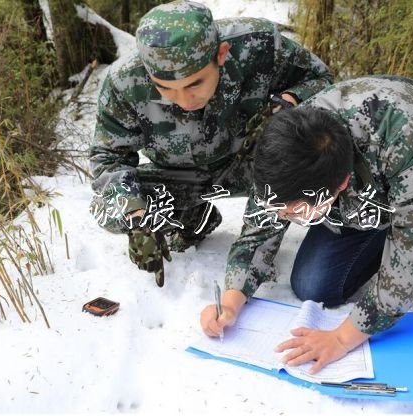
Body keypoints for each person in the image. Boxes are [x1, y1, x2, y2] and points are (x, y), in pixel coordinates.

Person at [200, 75, 413, 373]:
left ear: (341, 184)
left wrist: (343, 339)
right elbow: (257, 232)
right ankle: (390, 230)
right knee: (314, 286)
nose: (285, 218)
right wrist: (230, 302)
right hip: (372, 194)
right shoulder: (285, 155)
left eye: (295, 212)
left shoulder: (400, 128)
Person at [89, 0, 333, 287]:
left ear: (221, 54)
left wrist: (288, 102)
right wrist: (137, 216)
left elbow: (322, 80)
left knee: (301, 159)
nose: (183, 100)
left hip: (253, 164)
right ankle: (195, 217)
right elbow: (108, 159)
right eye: (165, 88)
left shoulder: (259, 44)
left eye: (195, 83)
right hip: (179, 176)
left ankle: (258, 254)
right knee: (109, 209)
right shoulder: (123, 83)